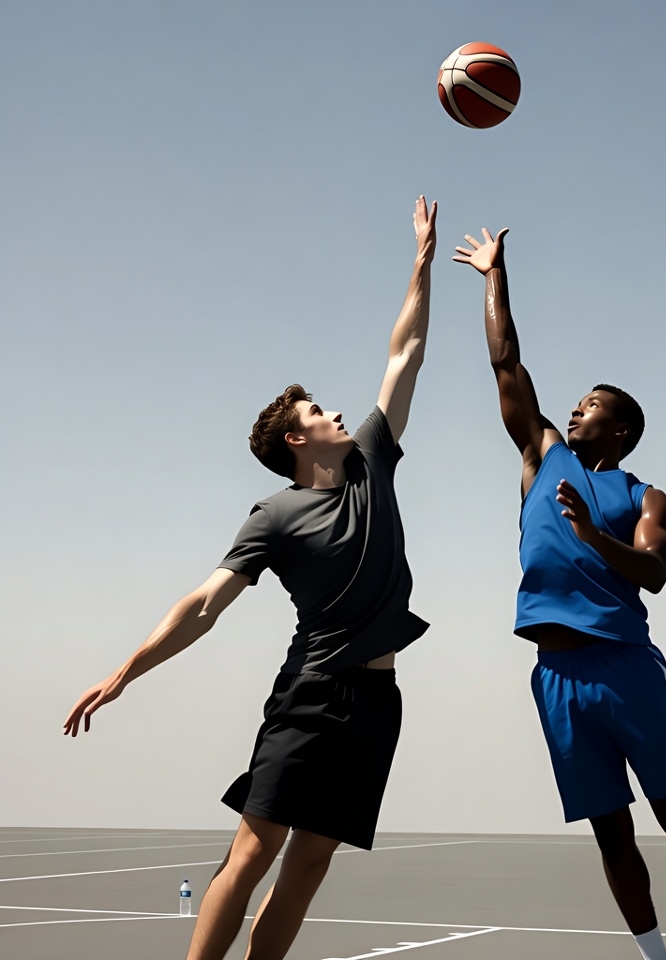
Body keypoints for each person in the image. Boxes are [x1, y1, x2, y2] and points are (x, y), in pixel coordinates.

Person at [64, 196, 438, 960]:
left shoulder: (370, 460)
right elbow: (204, 604)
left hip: (376, 701)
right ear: (298, 439)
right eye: (318, 409)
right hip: (312, 694)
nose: (338, 412)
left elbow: (405, 354)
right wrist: (125, 670)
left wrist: (421, 265)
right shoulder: (273, 514)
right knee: (254, 851)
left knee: (309, 865)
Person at [453, 226, 666, 960]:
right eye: (575, 402)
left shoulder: (645, 496)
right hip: (554, 675)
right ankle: (657, 958)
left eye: (591, 405)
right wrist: (495, 274)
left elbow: (654, 572)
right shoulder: (540, 455)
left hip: (623, 663)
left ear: (617, 431)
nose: (575, 408)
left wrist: (592, 535)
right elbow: (506, 362)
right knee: (610, 830)